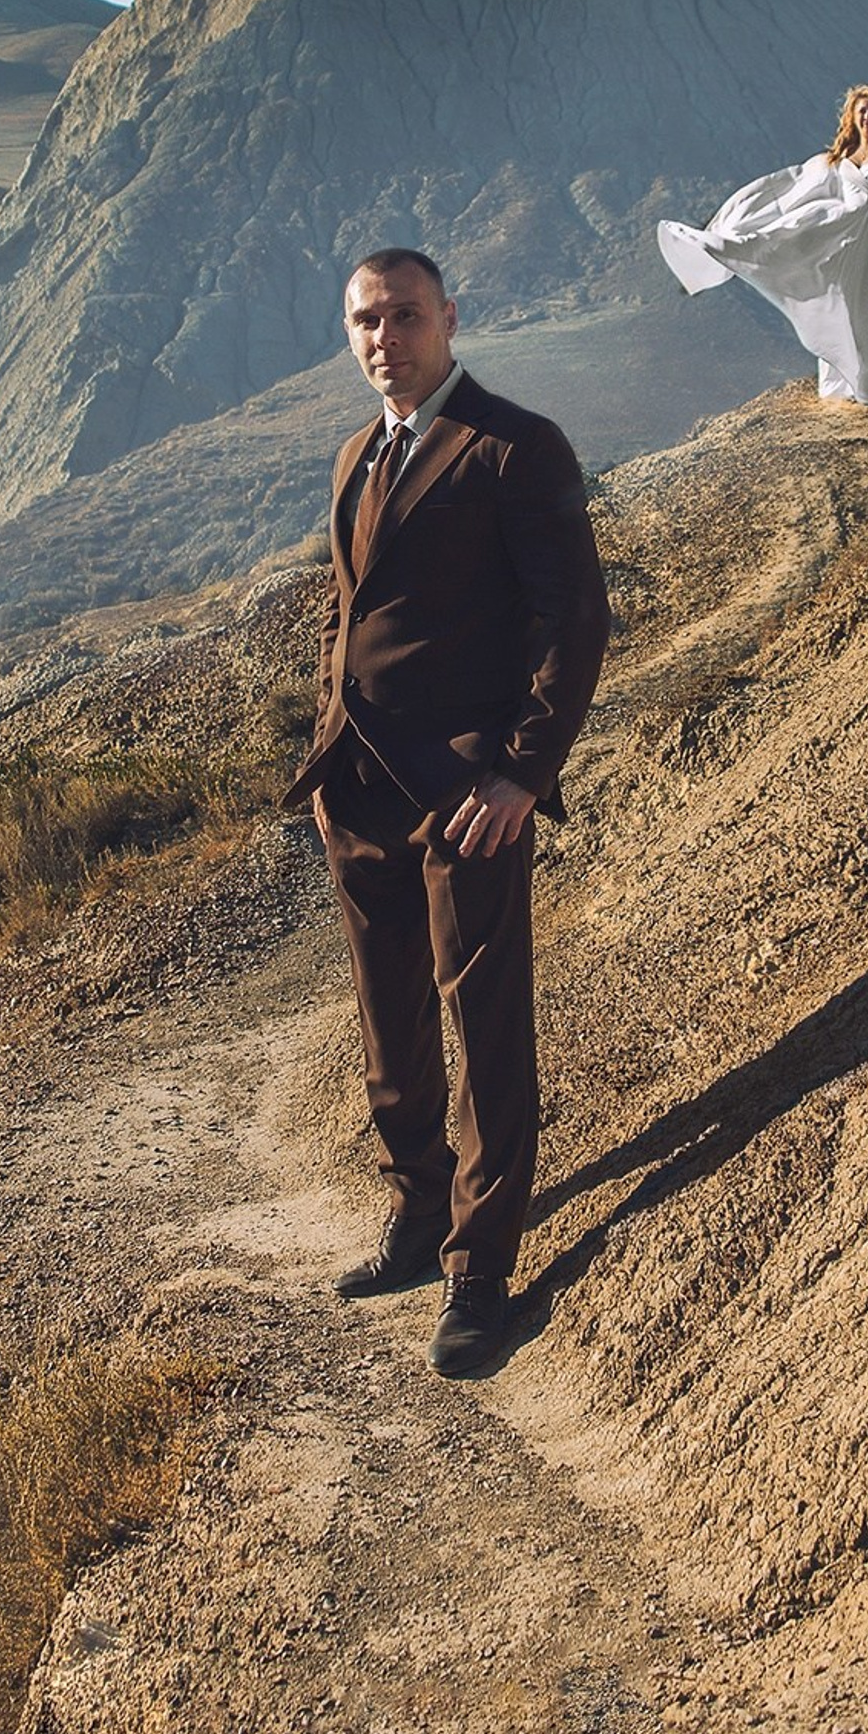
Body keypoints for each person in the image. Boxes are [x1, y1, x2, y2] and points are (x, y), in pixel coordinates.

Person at [280, 248, 610, 1378]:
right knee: (390, 1032)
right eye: (366, 321)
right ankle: (419, 1215)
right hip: (359, 792)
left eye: (405, 316)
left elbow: (575, 624)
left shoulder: (516, 445)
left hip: (468, 798)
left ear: (450, 318)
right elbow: (347, 611)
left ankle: (481, 1269)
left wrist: (522, 773)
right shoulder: (356, 451)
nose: (386, 338)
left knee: (488, 1031)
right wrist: (325, 760)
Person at [656, 83, 868, 403]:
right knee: (847, 300)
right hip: (848, 237)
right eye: (862, 111)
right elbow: (798, 188)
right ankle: (725, 245)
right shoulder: (842, 157)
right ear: (852, 116)